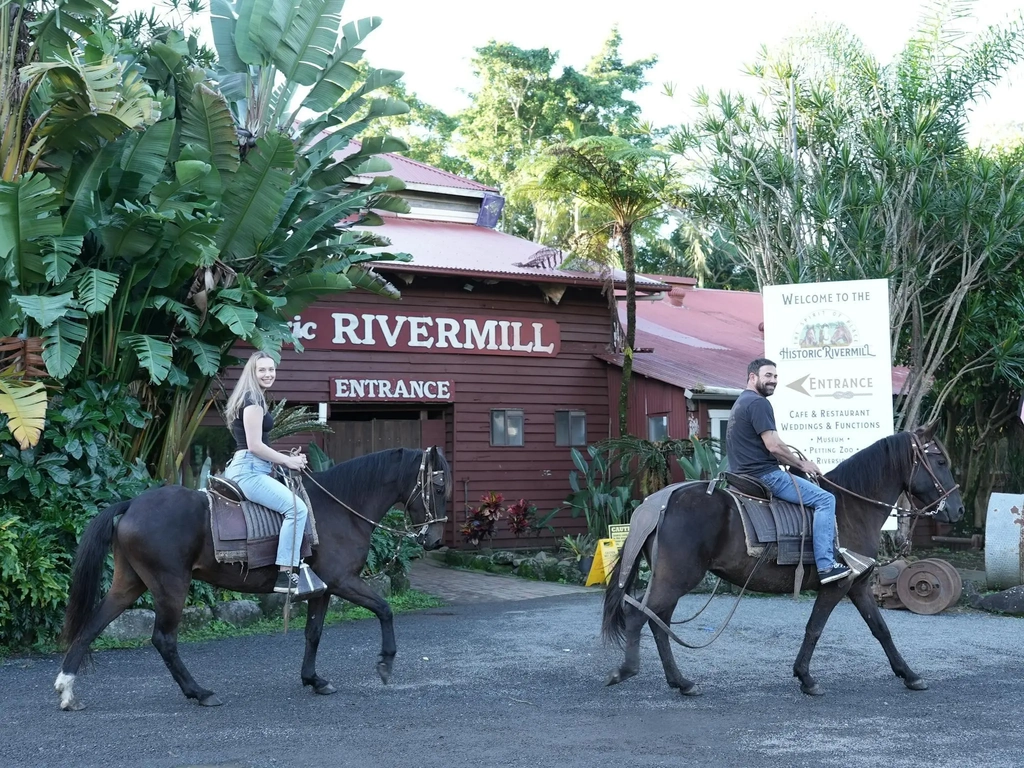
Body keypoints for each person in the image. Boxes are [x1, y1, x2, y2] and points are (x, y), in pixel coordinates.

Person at [726, 358, 851, 584]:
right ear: (752, 377)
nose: (773, 381)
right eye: (768, 376)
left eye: (775, 376)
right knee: (825, 499)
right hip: (765, 476)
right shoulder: (759, 403)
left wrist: (791, 460)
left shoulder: (740, 403)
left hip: (744, 475)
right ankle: (826, 565)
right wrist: (803, 464)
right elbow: (773, 445)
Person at [223, 352, 323, 596]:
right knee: (297, 510)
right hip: (249, 470)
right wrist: (288, 461)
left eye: (271, 370)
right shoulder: (253, 401)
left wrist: (288, 459)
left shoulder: (251, 397)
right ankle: (286, 573)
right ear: (252, 373)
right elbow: (255, 445)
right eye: (262, 370)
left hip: (250, 465)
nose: (268, 374)